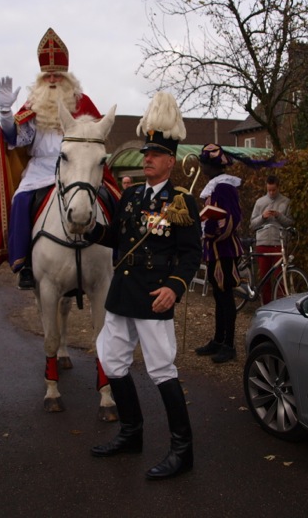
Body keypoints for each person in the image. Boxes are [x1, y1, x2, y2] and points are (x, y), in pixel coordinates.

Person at [87, 92, 201, 480]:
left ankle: (182, 451)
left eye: (154, 154)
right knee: (112, 361)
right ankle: (131, 433)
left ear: (170, 160)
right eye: (145, 153)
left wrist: (175, 288)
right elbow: (117, 239)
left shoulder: (181, 201)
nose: (147, 158)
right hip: (122, 293)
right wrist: (89, 227)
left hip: (154, 295)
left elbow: (190, 255)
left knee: (161, 370)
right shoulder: (132, 196)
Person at [0, 27, 119, 290]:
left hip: (78, 167)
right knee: (22, 200)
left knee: (112, 198)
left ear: (66, 77)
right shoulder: (33, 105)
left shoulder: (83, 103)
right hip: (40, 169)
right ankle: (25, 265)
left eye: (57, 74)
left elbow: (96, 137)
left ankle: (117, 256)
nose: (52, 79)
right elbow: (16, 139)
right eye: (47, 75)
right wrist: (5, 113)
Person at [194, 144, 244, 364]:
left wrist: (214, 229)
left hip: (224, 248)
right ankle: (218, 339)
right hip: (213, 249)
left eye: (204, 163)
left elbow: (233, 217)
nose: (202, 167)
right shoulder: (215, 187)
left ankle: (229, 344)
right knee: (218, 296)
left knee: (226, 297)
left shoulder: (224, 187)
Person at [249, 175, 294, 304]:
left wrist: (279, 216)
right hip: (263, 243)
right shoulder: (260, 202)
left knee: (281, 277)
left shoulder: (286, 202)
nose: (271, 193)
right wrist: (263, 217)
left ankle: (281, 306)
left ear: (278, 187)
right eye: (269, 190)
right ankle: (266, 305)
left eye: (274, 190)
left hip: (278, 243)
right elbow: (252, 224)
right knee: (265, 277)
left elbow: (290, 223)